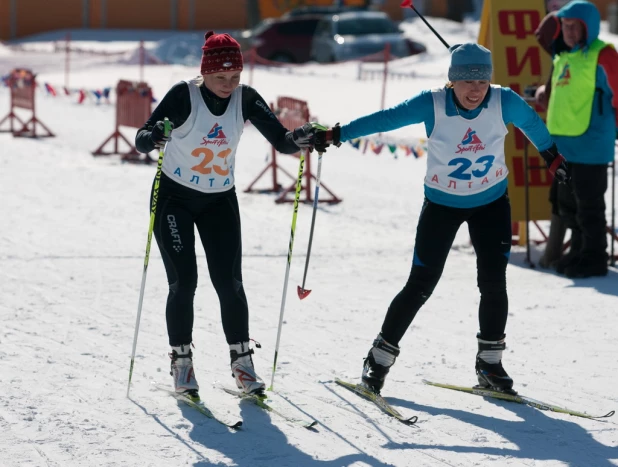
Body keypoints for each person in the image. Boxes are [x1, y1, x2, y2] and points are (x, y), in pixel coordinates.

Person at [313, 43, 569, 395]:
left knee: (494, 284)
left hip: (491, 203)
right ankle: (378, 358)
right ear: (452, 81)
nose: (475, 89)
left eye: (481, 80)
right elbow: (385, 118)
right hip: (442, 206)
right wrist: (335, 134)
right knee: (420, 285)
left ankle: (489, 364)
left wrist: (552, 156)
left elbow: (532, 124)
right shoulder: (432, 102)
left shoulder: (502, 100)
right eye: (466, 81)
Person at [135, 31, 323, 398]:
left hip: (219, 200)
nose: (228, 85)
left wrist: (304, 136)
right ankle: (182, 363)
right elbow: (143, 138)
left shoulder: (246, 98)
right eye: (220, 78)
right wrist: (153, 136)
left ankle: (242, 364)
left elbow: (283, 142)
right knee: (183, 282)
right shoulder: (183, 95)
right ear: (204, 72)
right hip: (174, 199)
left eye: (235, 77)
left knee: (230, 284)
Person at [534, 0, 617, 278]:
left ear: (588, 27)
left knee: (589, 207)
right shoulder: (563, 57)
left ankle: (594, 258)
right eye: (565, 26)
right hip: (564, 148)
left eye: (574, 26)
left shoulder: (603, 55)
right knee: (567, 206)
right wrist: (545, 94)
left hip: (591, 145)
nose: (568, 32)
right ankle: (580, 251)